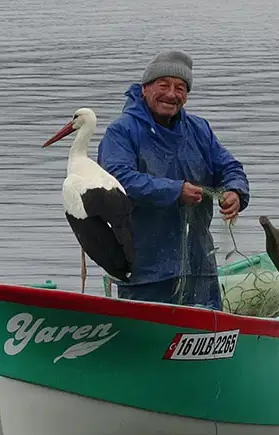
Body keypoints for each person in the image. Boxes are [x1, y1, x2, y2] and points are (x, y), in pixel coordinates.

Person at [97, 50, 250, 308]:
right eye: (163, 85)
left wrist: (235, 191)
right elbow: (119, 180)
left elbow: (229, 167)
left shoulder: (199, 130)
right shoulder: (121, 132)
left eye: (180, 88)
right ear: (145, 89)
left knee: (207, 328)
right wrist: (175, 191)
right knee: (147, 330)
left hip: (199, 265)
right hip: (144, 272)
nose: (171, 94)